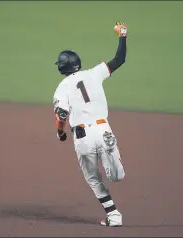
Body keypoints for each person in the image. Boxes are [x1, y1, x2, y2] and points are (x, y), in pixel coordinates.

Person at [52, 22, 128, 227]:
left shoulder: (62, 87)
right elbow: (120, 59)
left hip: (83, 136)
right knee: (116, 176)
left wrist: (60, 134)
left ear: (61, 67)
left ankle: (114, 215)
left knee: (93, 179)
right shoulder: (95, 73)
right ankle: (112, 154)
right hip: (104, 128)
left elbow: (61, 115)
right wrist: (123, 35)